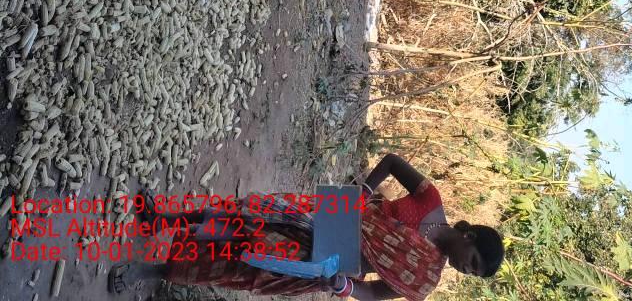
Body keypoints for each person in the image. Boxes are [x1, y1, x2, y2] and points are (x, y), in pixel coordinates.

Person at [108, 152, 505, 300]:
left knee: (247, 261)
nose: (463, 269)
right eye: (471, 261)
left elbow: (372, 293)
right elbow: (392, 161)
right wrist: (362, 192)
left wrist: (344, 287)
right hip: (336, 213)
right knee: (246, 213)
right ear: (469, 236)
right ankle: (163, 220)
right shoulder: (430, 201)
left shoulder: (425, 281)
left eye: (470, 273)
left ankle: (153, 270)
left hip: (329, 263)